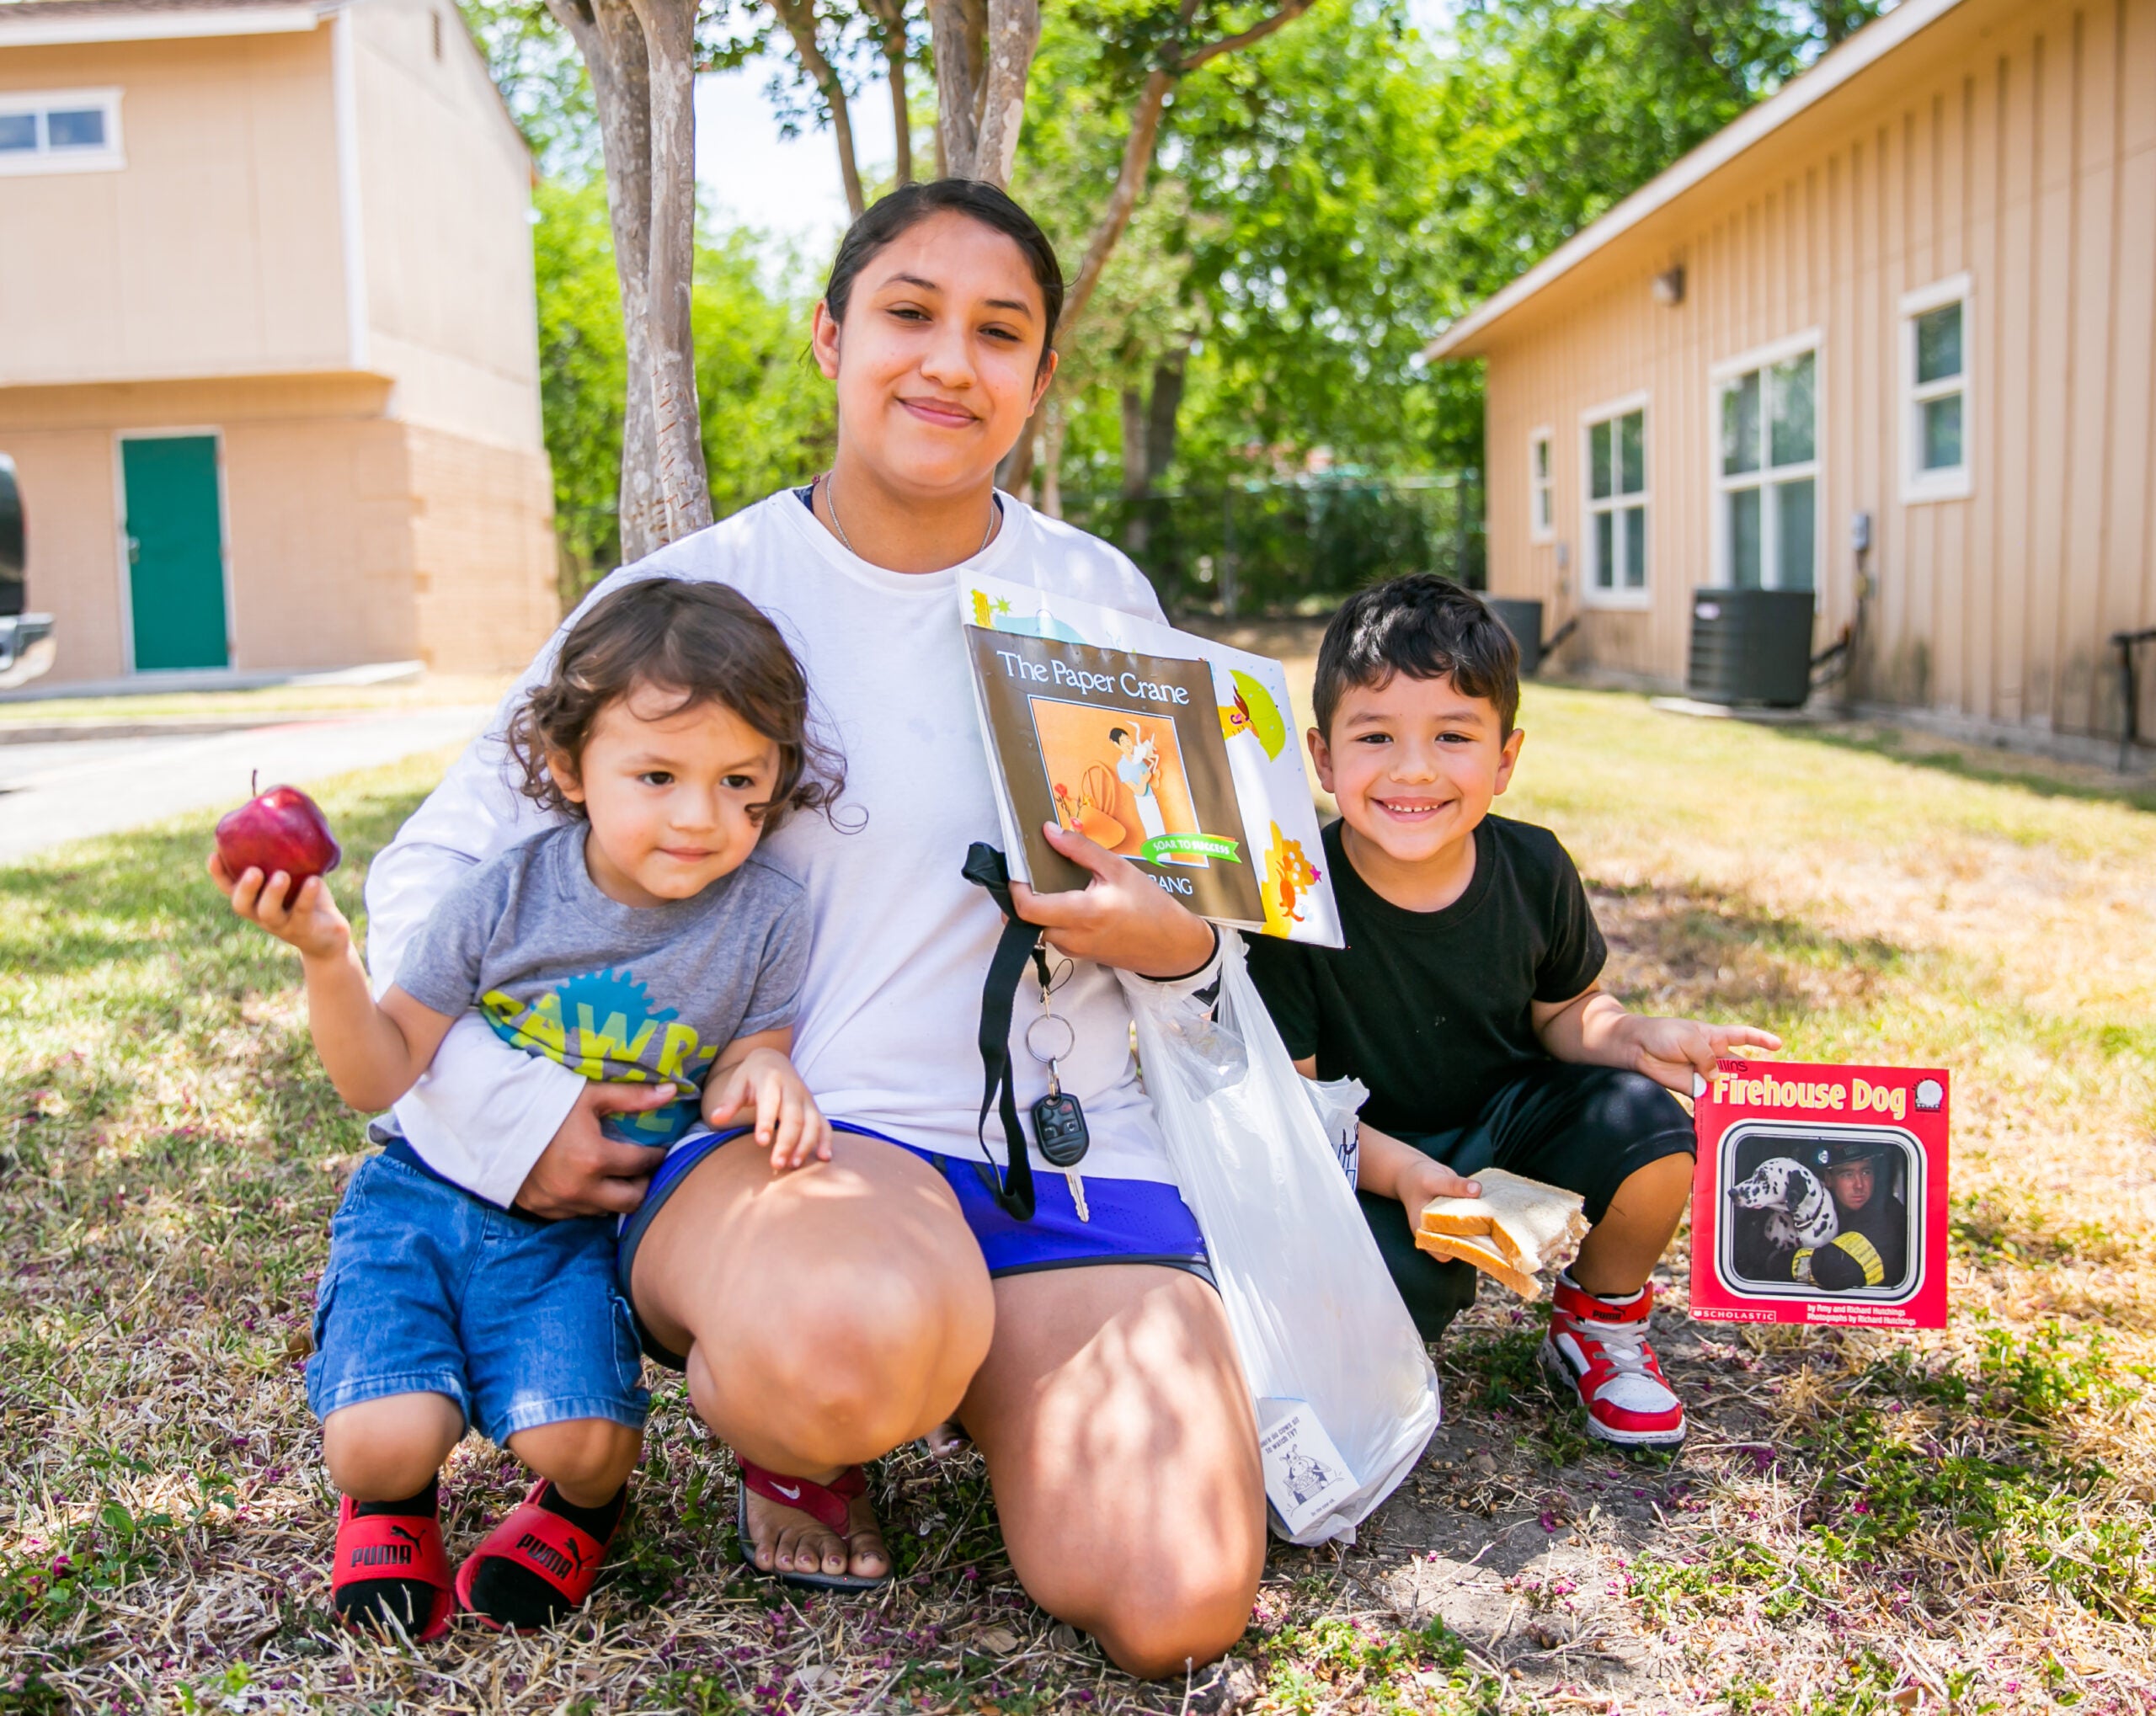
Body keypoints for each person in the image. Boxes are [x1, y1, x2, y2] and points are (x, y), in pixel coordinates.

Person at [359, 179, 1265, 1674]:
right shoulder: (692, 593)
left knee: (1176, 1599)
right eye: (909, 314)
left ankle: (990, 1367)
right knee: (846, 1350)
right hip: (806, 1152)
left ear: (1041, 380)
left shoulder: (1097, 596)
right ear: (833, 336)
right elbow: (440, 869)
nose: (947, 362)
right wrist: (509, 1110)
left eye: (999, 332)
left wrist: (1167, 941)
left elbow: (1198, 930)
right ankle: (804, 1431)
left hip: (1069, 1147)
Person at [210, 579, 834, 1638]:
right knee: (378, 1437)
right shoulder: (504, 894)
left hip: (576, 1239)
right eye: (657, 774)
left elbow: (747, 1058)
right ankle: (392, 1499)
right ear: (566, 768)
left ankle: (586, 1507)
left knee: (584, 1447)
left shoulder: (767, 914)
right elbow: (379, 1075)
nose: (701, 815)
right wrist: (329, 958)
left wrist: (765, 1079)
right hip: (421, 1200)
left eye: (741, 781)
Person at [1245, 575, 1781, 1451]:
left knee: (1650, 1129)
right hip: (1364, 1155)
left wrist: (1635, 1035)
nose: (1414, 768)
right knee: (1364, 1324)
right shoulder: (1291, 891)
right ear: (1322, 756)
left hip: (1505, 1119)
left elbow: (1567, 1012)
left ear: (1504, 759)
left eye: (1452, 737)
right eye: (1375, 735)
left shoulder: (1532, 866)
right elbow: (1300, 1110)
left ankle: (1598, 1324)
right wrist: (1413, 1180)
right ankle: (1392, 1303)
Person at [1798, 1141, 1909, 1290]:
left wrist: (1777, 1262)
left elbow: (1839, 1269)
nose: (1859, 1185)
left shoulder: (1888, 1213)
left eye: (1866, 1172)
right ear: (1829, 1179)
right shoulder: (1822, 1212)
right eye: (1847, 1175)